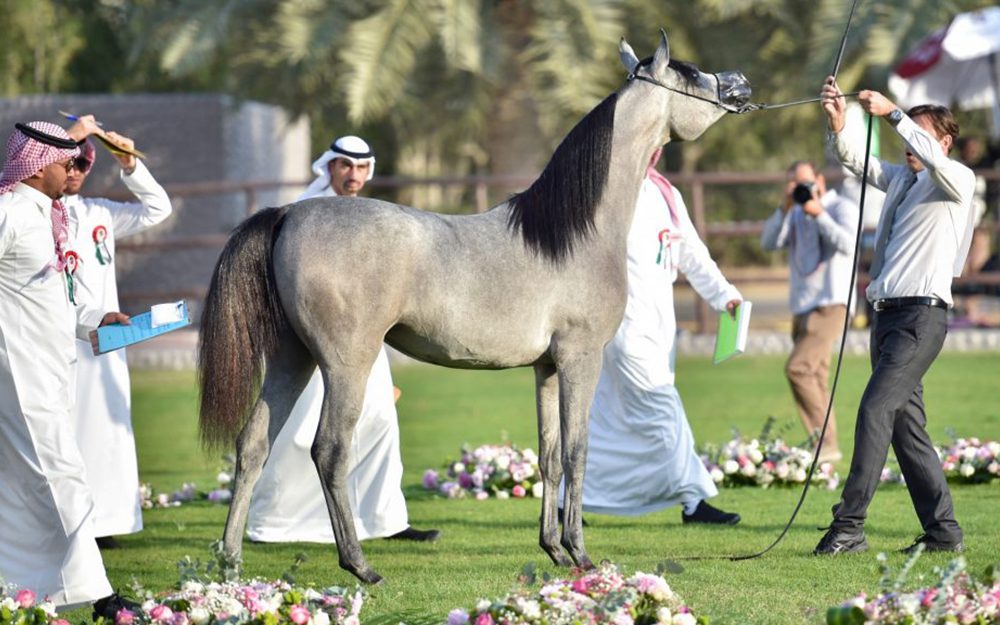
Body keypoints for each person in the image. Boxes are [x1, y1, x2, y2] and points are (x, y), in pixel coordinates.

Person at [247, 135, 439, 542]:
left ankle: (384, 521)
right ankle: (276, 524)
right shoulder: (303, 214)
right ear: (331, 167)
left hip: (367, 338)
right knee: (300, 431)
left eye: (362, 167)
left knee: (381, 421)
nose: (354, 175)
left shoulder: (373, 218)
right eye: (346, 166)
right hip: (314, 339)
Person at [814, 77, 976, 555]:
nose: (907, 146)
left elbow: (928, 154)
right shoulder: (905, 179)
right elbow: (858, 163)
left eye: (918, 137)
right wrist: (840, 123)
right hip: (887, 319)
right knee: (907, 432)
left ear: (941, 142)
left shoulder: (956, 179)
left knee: (874, 409)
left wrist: (892, 114)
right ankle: (944, 533)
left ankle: (849, 527)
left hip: (920, 320)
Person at [574, 148, 742, 525]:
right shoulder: (607, 190)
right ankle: (694, 500)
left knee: (607, 415)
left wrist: (725, 295)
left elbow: (690, 252)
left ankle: (569, 498)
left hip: (658, 321)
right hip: (622, 320)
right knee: (660, 406)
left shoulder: (665, 190)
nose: (655, 149)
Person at [0, 121, 128, 610]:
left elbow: (62, 301)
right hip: (20, 375)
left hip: (53, 372)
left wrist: (100, 319)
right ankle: (98, 597)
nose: (73, 171)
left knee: (21, 488)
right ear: (37, 165)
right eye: (67, 162)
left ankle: (25, 590)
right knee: (64, 477)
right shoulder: (10, 213)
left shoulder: (50, 218)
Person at [62, 116, 173, 549]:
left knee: (106, 432)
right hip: (54, 340)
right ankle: (64, 523)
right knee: (61, 430)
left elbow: (158, 209)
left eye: (81, 164)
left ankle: (104, 521)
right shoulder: (25, 211)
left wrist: (130, 165)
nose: (72, 171)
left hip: (105, 342)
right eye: (66, 162)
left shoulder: (101, 212)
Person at [760, 161, 858, 464]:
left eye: (805, 182)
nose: (802, 189)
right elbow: (768, 243)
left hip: (832, 301)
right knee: (815, 377)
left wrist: (819, 214)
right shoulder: (793, 212)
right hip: (802, 304)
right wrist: (785, 207)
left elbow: (848, 244)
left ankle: (824, 443)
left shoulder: (840, 206)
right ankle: (825, 445)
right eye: (795, 184)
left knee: (798, 369)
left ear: (819, 180)